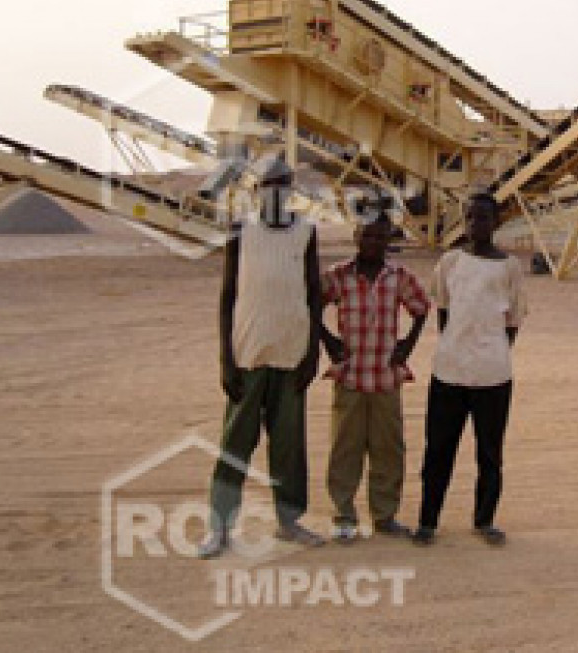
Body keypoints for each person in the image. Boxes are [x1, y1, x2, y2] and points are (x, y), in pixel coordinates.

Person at [199, 158, 323, 559]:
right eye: (269, 184)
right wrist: (225, 358)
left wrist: (312, 352)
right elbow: (227, 296)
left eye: (283, 184)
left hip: (291, 353)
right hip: (248, 354)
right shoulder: (241, 232)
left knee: (288, 446)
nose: (276, 190)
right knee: (236, 442)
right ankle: (219, 527)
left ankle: (289, 521)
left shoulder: (306, 232)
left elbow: (313, 294)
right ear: (257, 191)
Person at [413, 193, 527, 548]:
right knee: (438, 450)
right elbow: (444, 311)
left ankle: (485, 519)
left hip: (493, 375)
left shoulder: (510, 268)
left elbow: (513, 322)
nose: (476, 224)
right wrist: (456, 345)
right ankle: (428, 521)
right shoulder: (450, 262)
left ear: (496, 222)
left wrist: (489, 349)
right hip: (448, 370)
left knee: (489, 452)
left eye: (483, 218)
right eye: (471, 218)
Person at [320, 213, 430, 542]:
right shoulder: (338, 276)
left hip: (385, 377)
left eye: (379, 238)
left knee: (388, 449)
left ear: (388, 241)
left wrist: (407, 345)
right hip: (350, 376)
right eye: (367, 237)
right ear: (356, 237)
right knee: (345, 448)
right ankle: (343, 515)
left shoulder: (399, 277)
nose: (373, 244)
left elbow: (421, 309)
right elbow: (312, 304)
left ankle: (384, 515)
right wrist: (327, 340)